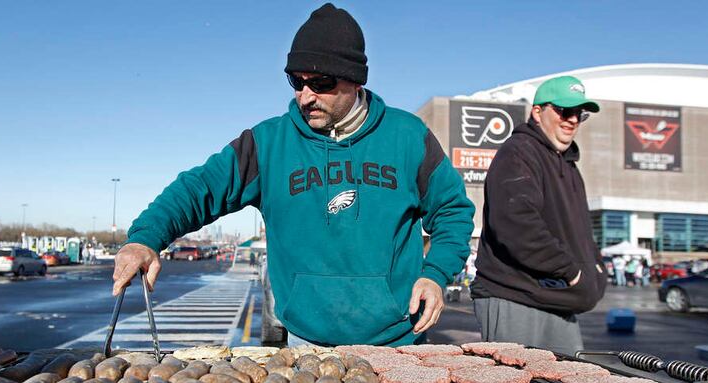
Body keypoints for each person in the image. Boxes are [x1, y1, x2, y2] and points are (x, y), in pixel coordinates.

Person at [112, 3, 474, 348]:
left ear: (355, 80)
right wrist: (146, 238)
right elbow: (199, 188)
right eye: (296, 82)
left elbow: (453, 212)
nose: (306, 97)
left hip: (399, 340)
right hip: (306, 341)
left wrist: (436, 274)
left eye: (321, 82)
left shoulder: (407, 137)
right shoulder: (269, 143)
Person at [470, 76, 607, 355]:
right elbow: (516, 224)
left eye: (579, 114)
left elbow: (581, 232)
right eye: (563, 111)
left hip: (559, 302)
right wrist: (571, 272)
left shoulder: (569, 167)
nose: (572, 120)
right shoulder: (518, 152)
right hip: (517, 298)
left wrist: (596, 269)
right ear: (537, 111)